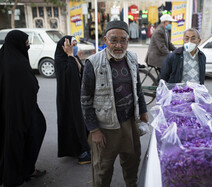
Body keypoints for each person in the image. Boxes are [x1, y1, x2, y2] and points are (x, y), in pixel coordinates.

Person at [81, 20, 148, 187]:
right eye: (114, 40)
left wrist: (143, 110)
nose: (118, 45)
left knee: (132, 162)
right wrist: (94, 130)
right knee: (103, 169)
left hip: (130, 122)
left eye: (123, 40)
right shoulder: (93, 63)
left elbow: (138, 87)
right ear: (105, 40)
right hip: (105, 127)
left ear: (128, 40)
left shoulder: (132, 58)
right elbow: (85, 99)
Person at [0, 30, 46, 186]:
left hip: (8, 109)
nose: (28, 46)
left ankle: (22, 170)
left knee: (11, 141)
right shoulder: (18, 64)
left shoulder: (4, 57)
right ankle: (24, 171)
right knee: (32, 134)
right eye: (26, 43)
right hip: (22, 111)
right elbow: (32, 86)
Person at [54, 36, 91, 164]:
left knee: (80, 123)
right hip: (68, 99)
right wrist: (70, 55)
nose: (74, 47)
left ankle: (81, 148)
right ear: (64, 47)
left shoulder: (73, 58)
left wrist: (73, 58)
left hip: (78, 97)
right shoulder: (61, 60)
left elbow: (82, 73)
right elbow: (70, 76)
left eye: (75, 44)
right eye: (72, 44)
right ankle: (81, 153)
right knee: (73, 123)